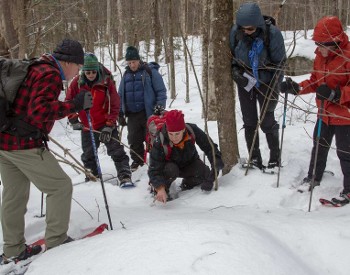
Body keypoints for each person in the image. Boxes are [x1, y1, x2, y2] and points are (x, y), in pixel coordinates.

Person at [0, 39, 92, 263]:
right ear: (68, 62)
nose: (77, 73)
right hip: (24, 144)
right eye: (78, 67)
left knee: (14, 195)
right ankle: (57, 241)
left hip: (4, 142)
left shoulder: (36, 64)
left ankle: (13, 250)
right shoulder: (49, 74)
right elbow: (39, 111)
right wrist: (74, 105)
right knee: (60, 187)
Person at [280, 16, 350, 201]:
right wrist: (297, 88)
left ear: (336, 41)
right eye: (318, 44)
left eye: (324, 45)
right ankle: (313, 176)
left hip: (345, 114)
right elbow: (315, 81)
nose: (320, 49)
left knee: (345, 151)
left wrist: (336, 95)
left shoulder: (347, 56)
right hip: (324, 113)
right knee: (319, 145)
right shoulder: (320, 56)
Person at [229, 2, 286, 171]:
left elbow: (280, 64)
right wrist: (236, 73)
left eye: (250, 29)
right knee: (249, 121)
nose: (246, 32)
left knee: (267, 119)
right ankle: (254, 158)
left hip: (267, 81)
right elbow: (232, 59)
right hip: (245, 82)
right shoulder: (235, 33)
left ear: (258, 25)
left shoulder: (272, 34)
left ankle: (275, 159)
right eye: (243, 28)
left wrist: (274, 89)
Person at [66, 53, 132, 186]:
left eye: (93, 71)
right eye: (88, 72)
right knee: (88, 154)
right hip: (87, 125)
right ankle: (92, 177)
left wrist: (110, 125)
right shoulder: (76, 84)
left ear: (97, 70)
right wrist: (74, 120)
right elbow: (68, 102)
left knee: (116, 150)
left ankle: (124, 175)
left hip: (105, 124)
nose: (91, 74)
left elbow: (114, 104)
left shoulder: (106, 82)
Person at [148, 110, 224, 203]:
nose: (174, 137)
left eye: (177, 133)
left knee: (204, 173)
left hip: (189, 163)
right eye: (170, 134)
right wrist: (159, 188)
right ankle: (164, 191)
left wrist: (214, 169)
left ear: (183, 129)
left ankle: (187, 185)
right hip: (169, 168)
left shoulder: (192, 130)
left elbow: (210, 148)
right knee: (171, 169)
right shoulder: (160, 140)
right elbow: (154, 169)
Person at [118, 46, 167, 172]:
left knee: (153, 138)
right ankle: (137, 161)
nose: (132, 65)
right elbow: (120, 95)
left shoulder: (149, 72)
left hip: (149, 112)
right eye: (129, 62)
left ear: (138, 60)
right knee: (134, 139)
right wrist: (120, 113)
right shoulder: (126, 75)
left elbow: (161, 91)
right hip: (132, 114)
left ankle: (156, 161)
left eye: (134, 62)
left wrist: (160, 107)